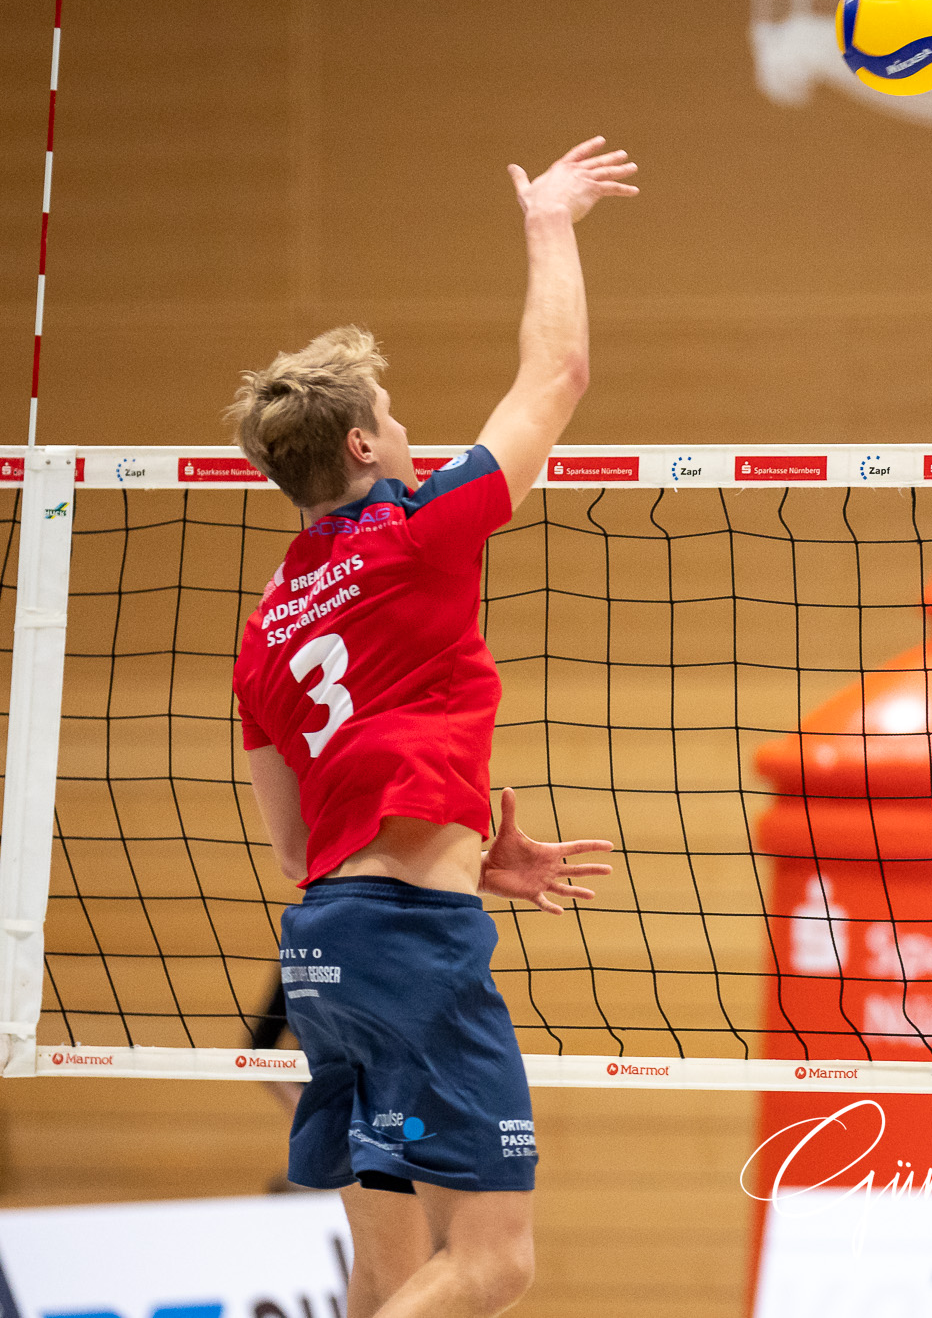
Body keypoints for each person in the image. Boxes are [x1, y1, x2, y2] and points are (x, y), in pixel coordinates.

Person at [229, 136, 635, 1318]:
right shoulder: (415, 530)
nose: (411, 433)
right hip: (410, 948)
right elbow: (555, 374)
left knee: (390, 1269)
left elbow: (302, 855)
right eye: (395, 419)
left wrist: (460, 844)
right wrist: (549, 221)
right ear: (360, 447)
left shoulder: (263, 627)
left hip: (324, 953)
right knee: (496, 1265)